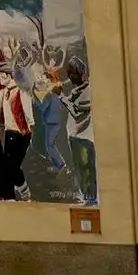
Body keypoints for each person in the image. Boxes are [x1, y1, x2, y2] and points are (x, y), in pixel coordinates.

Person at [0, 63, 33, 201]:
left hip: (21, 134)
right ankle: (10, 196)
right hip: (9, 134)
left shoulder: (21, 92)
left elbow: (29, 116)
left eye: (0, 75)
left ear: (9, 75)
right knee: (7, 166)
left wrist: (30, 130)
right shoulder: (3, 93)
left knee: (12, 166)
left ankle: (23, 189)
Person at [60, 57, 96, 205]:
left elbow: (76, 112)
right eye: (69, 73)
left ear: (81, 74)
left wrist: (60, 96)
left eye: (72, 73)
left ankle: (90, 197)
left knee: (87, 168)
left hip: (84, 136)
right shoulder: (77, 90)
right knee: (79, 167)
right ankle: (85, 195)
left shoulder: (88, 92)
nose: (69, 77)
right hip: (74, 135)